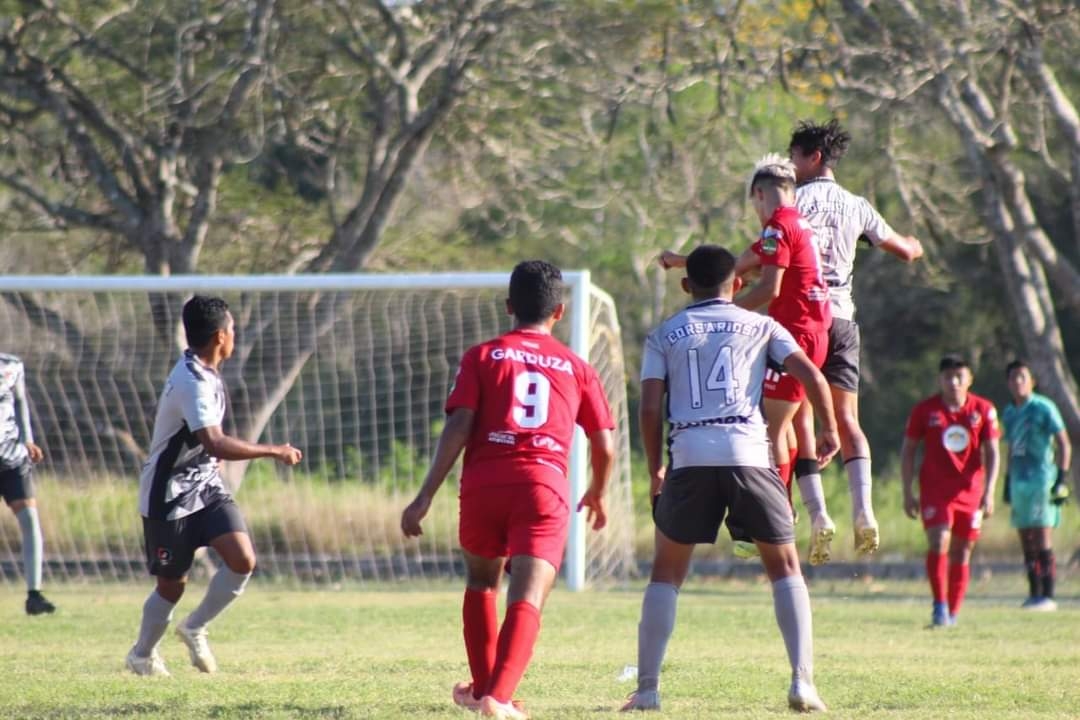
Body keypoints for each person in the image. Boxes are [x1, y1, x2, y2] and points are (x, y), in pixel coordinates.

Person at [622, 245, 839, 713]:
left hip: (690, 455)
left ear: (686, 285)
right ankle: (802, 682)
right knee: (784, 570)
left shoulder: (664, 334)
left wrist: (655, 468)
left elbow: (649, 408)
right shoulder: (763, 326)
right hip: (749, 455)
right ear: (736, 284)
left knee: (666, 574)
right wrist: (829, 428)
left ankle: (647, 690)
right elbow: (813, 376)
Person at [401, 260, 615, 720]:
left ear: (508, 307)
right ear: (559, 312)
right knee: (529, 595)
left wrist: (424, 496)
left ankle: (483, 691)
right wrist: (597, 490)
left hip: (484, 484)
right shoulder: (576, 366)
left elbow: (459, 426)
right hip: (542, 486)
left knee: (482, 582)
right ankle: (498, 698)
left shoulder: (482, 356)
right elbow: (605, 443)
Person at [658, 155, 836, 566]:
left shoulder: (776, 227)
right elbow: (738, 266)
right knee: (791, 425)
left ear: (759, 195)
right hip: (815, 332)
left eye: (754, 204)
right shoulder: (796, 222)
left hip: (798, 334)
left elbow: (770, 286)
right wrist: (685, 261)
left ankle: (776, 517)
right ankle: (810, 511)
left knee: (772, 428)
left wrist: (726, 313)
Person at [126, 296, 302, 677]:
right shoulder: (191, 381)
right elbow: (215, 442)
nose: (234, 335)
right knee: (171, 586)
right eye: (233, 329)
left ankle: (194, 627)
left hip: (206, 487)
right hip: (168, 495)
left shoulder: (206, 371)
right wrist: (274, 450)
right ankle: (141, 654)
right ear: (222, 336)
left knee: (243, 560)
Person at [789, 119, 925, 556]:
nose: (790, 167)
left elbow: (767, 254)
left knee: (801, 418)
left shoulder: (791, 203)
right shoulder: (857, 204)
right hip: (844, 321)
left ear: (813, 157)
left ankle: (819, 514)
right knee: (849, 421)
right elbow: (904, 250)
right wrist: (916, 244)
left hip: (805, 319)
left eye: (794, 157)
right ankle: (864, 511)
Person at [901, 354, 1000, 627]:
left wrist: (989, 492)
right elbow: (908, 450)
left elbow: (993, 452)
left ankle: (953, 612)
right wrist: (907, 491)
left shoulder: (984, 410)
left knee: (962, 550)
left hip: (970, 491)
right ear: (940, 379)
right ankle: (939, 606)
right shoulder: (925, 410)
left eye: (959, 377)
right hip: (935, 490)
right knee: (939, 541)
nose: (954, 382)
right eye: (948, 377)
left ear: (970, 379)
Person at [1001, 359, 1072, 611]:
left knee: (1042, 536)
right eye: (1013, 378)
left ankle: (1049, 594)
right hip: (1019, 482)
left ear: (1032, 380)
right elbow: (1010, 448)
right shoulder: (1009, 413)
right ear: (1008, 383)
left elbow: (1064, 443)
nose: (1018, 382)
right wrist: (1007, 480)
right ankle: (1034, 592)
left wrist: (1061, 479)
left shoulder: (1044, 408)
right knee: (1025, 537)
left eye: (1022, 376)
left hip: (1042, 480)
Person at [0, 353, 56, 615]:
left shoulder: (12, 365)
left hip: (12, 457)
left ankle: (34, 594)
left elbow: (20, 402)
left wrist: (28, 439)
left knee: (30, 520)